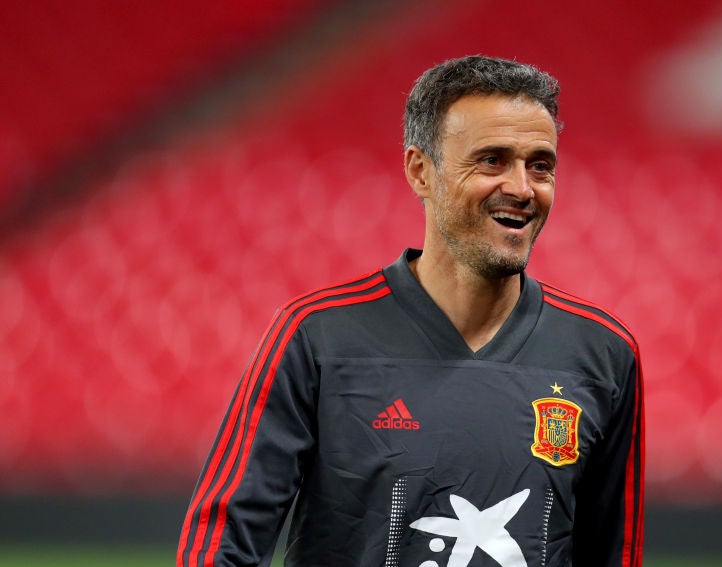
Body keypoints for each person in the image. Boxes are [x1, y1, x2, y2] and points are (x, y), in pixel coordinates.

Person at [177, 55, 644, 567]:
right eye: (492, 160)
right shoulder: (317, 339)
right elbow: (221, 546)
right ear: (421, 171)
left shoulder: (603, 355)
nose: (521, 187)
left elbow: (615, 554)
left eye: (540, 165)